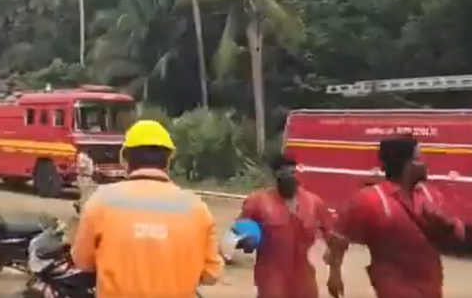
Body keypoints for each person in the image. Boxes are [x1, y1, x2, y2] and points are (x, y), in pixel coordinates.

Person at [70, 120, 222, 298]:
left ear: (125, 161)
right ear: (168, 162)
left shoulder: (101, 202)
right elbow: (211, 274)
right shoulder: (197, 209)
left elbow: (82, 262)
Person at [326, 135, 469, 298]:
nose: (425, 163)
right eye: (419, 158)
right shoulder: (370, 200)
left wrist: (445, 223)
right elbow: (338, 239)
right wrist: (334, 275)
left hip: (431, 289)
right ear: (407, 165)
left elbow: (459, 234)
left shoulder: (430, 195)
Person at [236, 153, 333, 298]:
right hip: (271, 275)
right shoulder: (258, 202)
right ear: (276, 175)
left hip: (303, 276)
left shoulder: (313, 202)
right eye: (285, 173)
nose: (290, 177)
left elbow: (333, 234)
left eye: (293, 172)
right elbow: (237, 234)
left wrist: (332, 254)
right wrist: (246, 241)